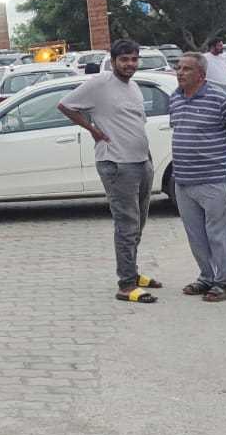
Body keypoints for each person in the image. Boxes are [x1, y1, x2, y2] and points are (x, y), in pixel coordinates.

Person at [58, 38, 162, 303]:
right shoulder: (100, 84)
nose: (130, 64)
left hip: (141, 160)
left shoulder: (134, 86)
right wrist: (93, 130)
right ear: (113, 60)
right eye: (124, 59)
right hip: (117, 163)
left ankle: (133, 272)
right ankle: (126, 285)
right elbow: (65, 105)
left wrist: (147, 157)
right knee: (126, 224)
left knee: (138, 222)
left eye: (134, 59)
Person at [170, 53, 226, 303]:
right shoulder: (175, 98)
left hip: (215, 180)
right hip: (183, 181)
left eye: (187, 69)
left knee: (219, 234)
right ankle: (206, 277)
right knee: (196, 235)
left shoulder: (219, 98)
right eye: (178, 68)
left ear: (201, 75)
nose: (180, 73)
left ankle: (225, 283)